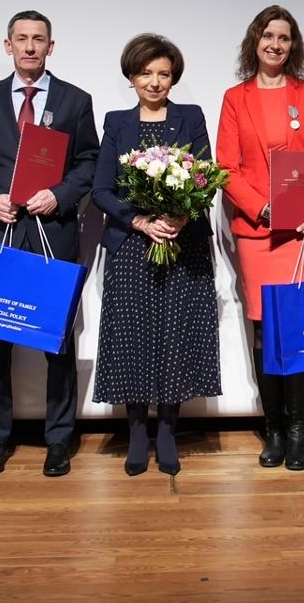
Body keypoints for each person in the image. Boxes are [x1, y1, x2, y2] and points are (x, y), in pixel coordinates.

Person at [0, 10, 100, 478]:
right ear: (7, 45)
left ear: (50, 46)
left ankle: (59, 440)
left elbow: (89, 162)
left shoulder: (74, 101)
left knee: (57, 342)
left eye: (37, 39)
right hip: (1, 232)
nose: (29, 47)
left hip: (53, 233)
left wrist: (59, 195)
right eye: (20, 39)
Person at [91, 33, 221, 477]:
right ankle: (136, 432)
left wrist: (181, 216)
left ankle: (167, 429)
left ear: (174, 78)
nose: (154, 81)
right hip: (131, 245)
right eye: (146, 73)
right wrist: (141, 221)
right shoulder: (116, 122)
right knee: (132, 337)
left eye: (163, 74)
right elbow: (101, 189)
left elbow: (207, 179)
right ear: (132, 76)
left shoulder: (190, 117)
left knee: (174, 334)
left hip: (183, 244)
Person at [215, 6, 304, 471]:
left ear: (293, 45)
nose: (276, 45)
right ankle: (275, 430)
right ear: (255, 40)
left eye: (284, 38)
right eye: (269, 36)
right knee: (265, 328)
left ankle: (300, 429)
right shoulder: (235, 97)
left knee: (299, 327)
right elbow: (226, 167)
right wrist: (260, 206)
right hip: (257, 231)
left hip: (303, 232)